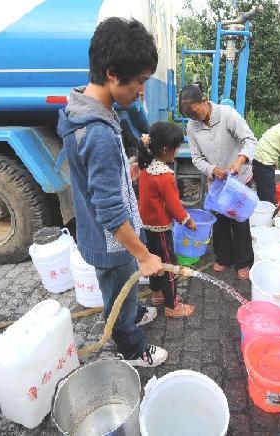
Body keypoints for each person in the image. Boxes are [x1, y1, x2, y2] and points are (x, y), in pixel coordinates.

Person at [57, 18, 168, 367]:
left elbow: (97, 181)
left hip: (101, 236)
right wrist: (143, 255)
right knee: (118, 294)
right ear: (111, 73)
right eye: (139, 81)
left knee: (124, 288)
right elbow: (110, 213)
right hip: (112, 242)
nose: (141, 91)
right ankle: (131, 348)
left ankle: (130, 315)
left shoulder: (85, 110)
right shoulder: (99, 133)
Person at [180, 85, 257, 280]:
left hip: (238, 179)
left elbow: (249, 140)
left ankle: (243, 261)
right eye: (190, 116)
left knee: (239, 220)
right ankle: (223, 257)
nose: (195, 118)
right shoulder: (192, 126)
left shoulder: (227, 115)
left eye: (195, 112)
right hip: (217, 182)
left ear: (204, 101)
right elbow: (197, 158)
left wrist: (240, 161)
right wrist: (212, 170)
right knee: (220, 221)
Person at [138, 122, 197, 317]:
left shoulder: (145, 167)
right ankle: (172, 306)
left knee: (153, 261)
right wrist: (187, 220)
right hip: (160, 229)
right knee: (168, 267)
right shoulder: (164, 175)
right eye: (176, 147)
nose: (178, 150)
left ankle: (157, 295)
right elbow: (174, 206)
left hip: (146, 227)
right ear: (165, 149)